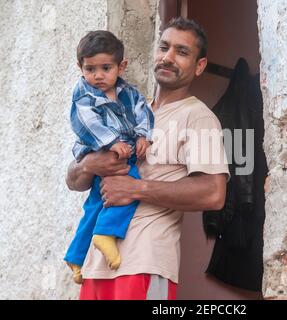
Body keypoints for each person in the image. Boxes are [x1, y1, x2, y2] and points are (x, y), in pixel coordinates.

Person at [66, 17, 229, 300]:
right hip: (95, 266)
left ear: (199, 66)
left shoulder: (198, 117)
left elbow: (214, 194)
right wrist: (88, 165)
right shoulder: (127, 109)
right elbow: (74, 180)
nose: (167, 57)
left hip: (144, 262)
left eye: (182, 52)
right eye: (164, 47)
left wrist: (135, 189)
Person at [64, 30, 154, 285]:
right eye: (90, 69)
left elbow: (143, 113)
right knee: (128, 179)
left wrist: (143, 136)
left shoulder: (130, 92)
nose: (98, 75)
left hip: (123, 147)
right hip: (98, 149)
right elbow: (85, 122)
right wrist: (111, 142)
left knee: (94, 205)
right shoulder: (83, 94)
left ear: (121, 66)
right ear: (80, 67)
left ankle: (76, 255)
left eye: (106, 68)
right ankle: (106, 233)